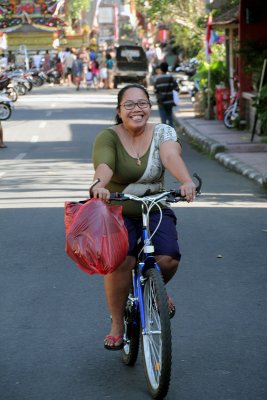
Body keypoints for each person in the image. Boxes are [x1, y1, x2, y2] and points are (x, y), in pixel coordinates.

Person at [91, 83, 196, 350]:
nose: (137, 109)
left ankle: (153, 286)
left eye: (142, 103)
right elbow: (104, 165)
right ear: (119, 110)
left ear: (149, 106)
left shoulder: (163, 132)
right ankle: (117, 323)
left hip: (155, 208)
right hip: (119, 211)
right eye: (130, 104)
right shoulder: (108, 136)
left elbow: (171, 155)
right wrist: (99, 185)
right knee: (120, 261)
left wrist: (185, 181)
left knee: (169, 258)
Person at [154, 61, 179, 127]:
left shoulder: (157, 78)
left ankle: (165, 136)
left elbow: (156, 91)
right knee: (170, 119)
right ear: (167, 68)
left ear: (161, 69)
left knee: (163, 121)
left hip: (161, 102)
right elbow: (177, 89)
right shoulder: (171, 77)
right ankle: (172, 135)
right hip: (169, 102)